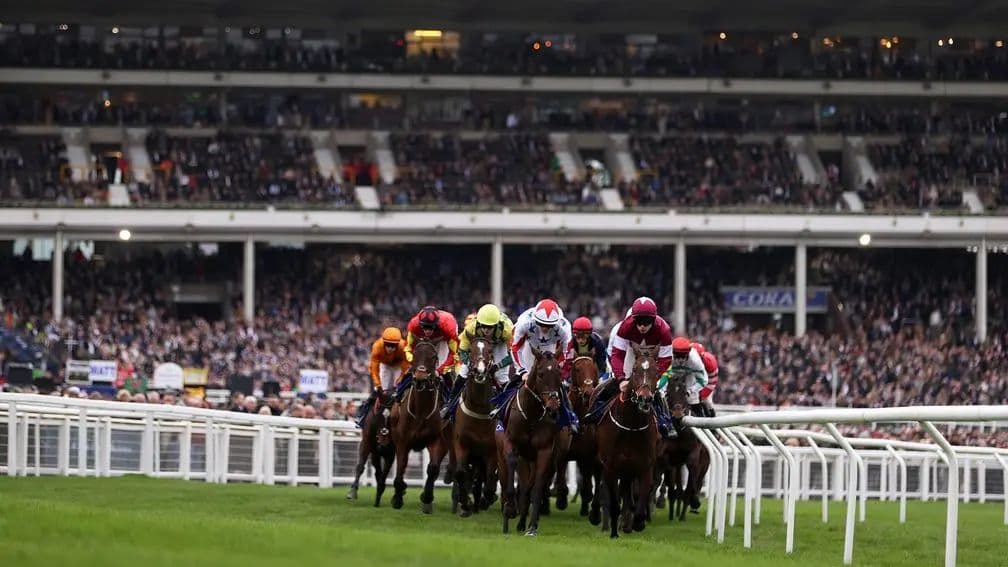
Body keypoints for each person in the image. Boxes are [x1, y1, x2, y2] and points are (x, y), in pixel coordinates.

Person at [589, 297, 675, 436]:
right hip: (631, 352)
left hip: (652, 354)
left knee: (656, 390)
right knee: (613, 383)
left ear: (654, 320)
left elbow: (666, 359)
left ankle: (665, 421)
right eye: (639, 322)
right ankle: (595, 411)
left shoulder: (663, 329)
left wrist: (652, 378)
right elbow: (617, 355)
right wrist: (621, 379)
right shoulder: (625, 326)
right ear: (633, 319)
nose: (642, 326)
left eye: (646, 322)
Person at [508, 298, 578, 431]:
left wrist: (558, 372)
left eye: (549, 325)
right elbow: (515, 348)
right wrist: (522, 371)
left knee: (557, 386)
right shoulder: (524, 323)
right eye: (541, 324)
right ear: (535, 320)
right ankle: (501, 412)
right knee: (516, 380)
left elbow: (566, 354)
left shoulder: (565, 328)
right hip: (529, 346)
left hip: (551, 348)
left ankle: (570, 417)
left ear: (556, 323)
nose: (545, 328)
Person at [441, 303, 514, 421]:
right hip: (478, 342)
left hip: (499, 344)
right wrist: (469, 363)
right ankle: (449, 405)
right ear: (479, 323)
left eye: (490, 327)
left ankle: (505, 408)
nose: (486, 330)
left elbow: (513, 354)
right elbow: (461, 350)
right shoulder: (471, 327)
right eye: (483, 326)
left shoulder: (507, 330)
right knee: (464, 372)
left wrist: (498, 365)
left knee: (502, 377)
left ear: (497, 325)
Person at [356, 327, 410, 427]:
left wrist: (401, 378)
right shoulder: (377, 346)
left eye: (393, 346)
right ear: (383, 343)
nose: (390, 348)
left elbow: (406, 365)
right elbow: (374, 369)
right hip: (384, 365)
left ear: (398, 344)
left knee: (400, 388)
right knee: (378, 390)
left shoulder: (403, 346)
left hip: (398, 366)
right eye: (388, 345)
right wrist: (378, 385)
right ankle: (362, 415)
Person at [403, 305, 460, 384]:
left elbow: (454, 354)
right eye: (425, 327)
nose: (427, 331)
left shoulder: (448, 327)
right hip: (422, 337)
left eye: (431, 327)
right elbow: (407, 349)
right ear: (420, 324)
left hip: (443, 338)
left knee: (441, 365)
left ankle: (452, 394)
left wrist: (439, 371)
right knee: (413, 367)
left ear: (437, 324)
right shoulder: (413, 325)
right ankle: (398, 392)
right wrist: (414, 363)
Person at [657, 336, 710, 419]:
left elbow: (703, 380)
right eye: (677, 356)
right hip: (671, 372)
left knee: (692, 398)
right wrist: (661, 390)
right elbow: (663, 377)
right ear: (673, 353)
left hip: (689, 374)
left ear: (688, 353)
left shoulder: (695, 360)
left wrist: (690, 390)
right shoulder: (668, 357)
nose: (681, 360)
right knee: (661, 393)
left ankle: (700, 418)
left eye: (683, 356)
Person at [564, 316, 608, 381]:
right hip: (578, 371)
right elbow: (568, 363)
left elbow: (601, 363)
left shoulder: (598, 342)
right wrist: (568, 377)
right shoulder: (571, 344)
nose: (581, 340)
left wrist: (599, 377)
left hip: (595, 369)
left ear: (589, 335)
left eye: (583, 337)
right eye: (578, 337)